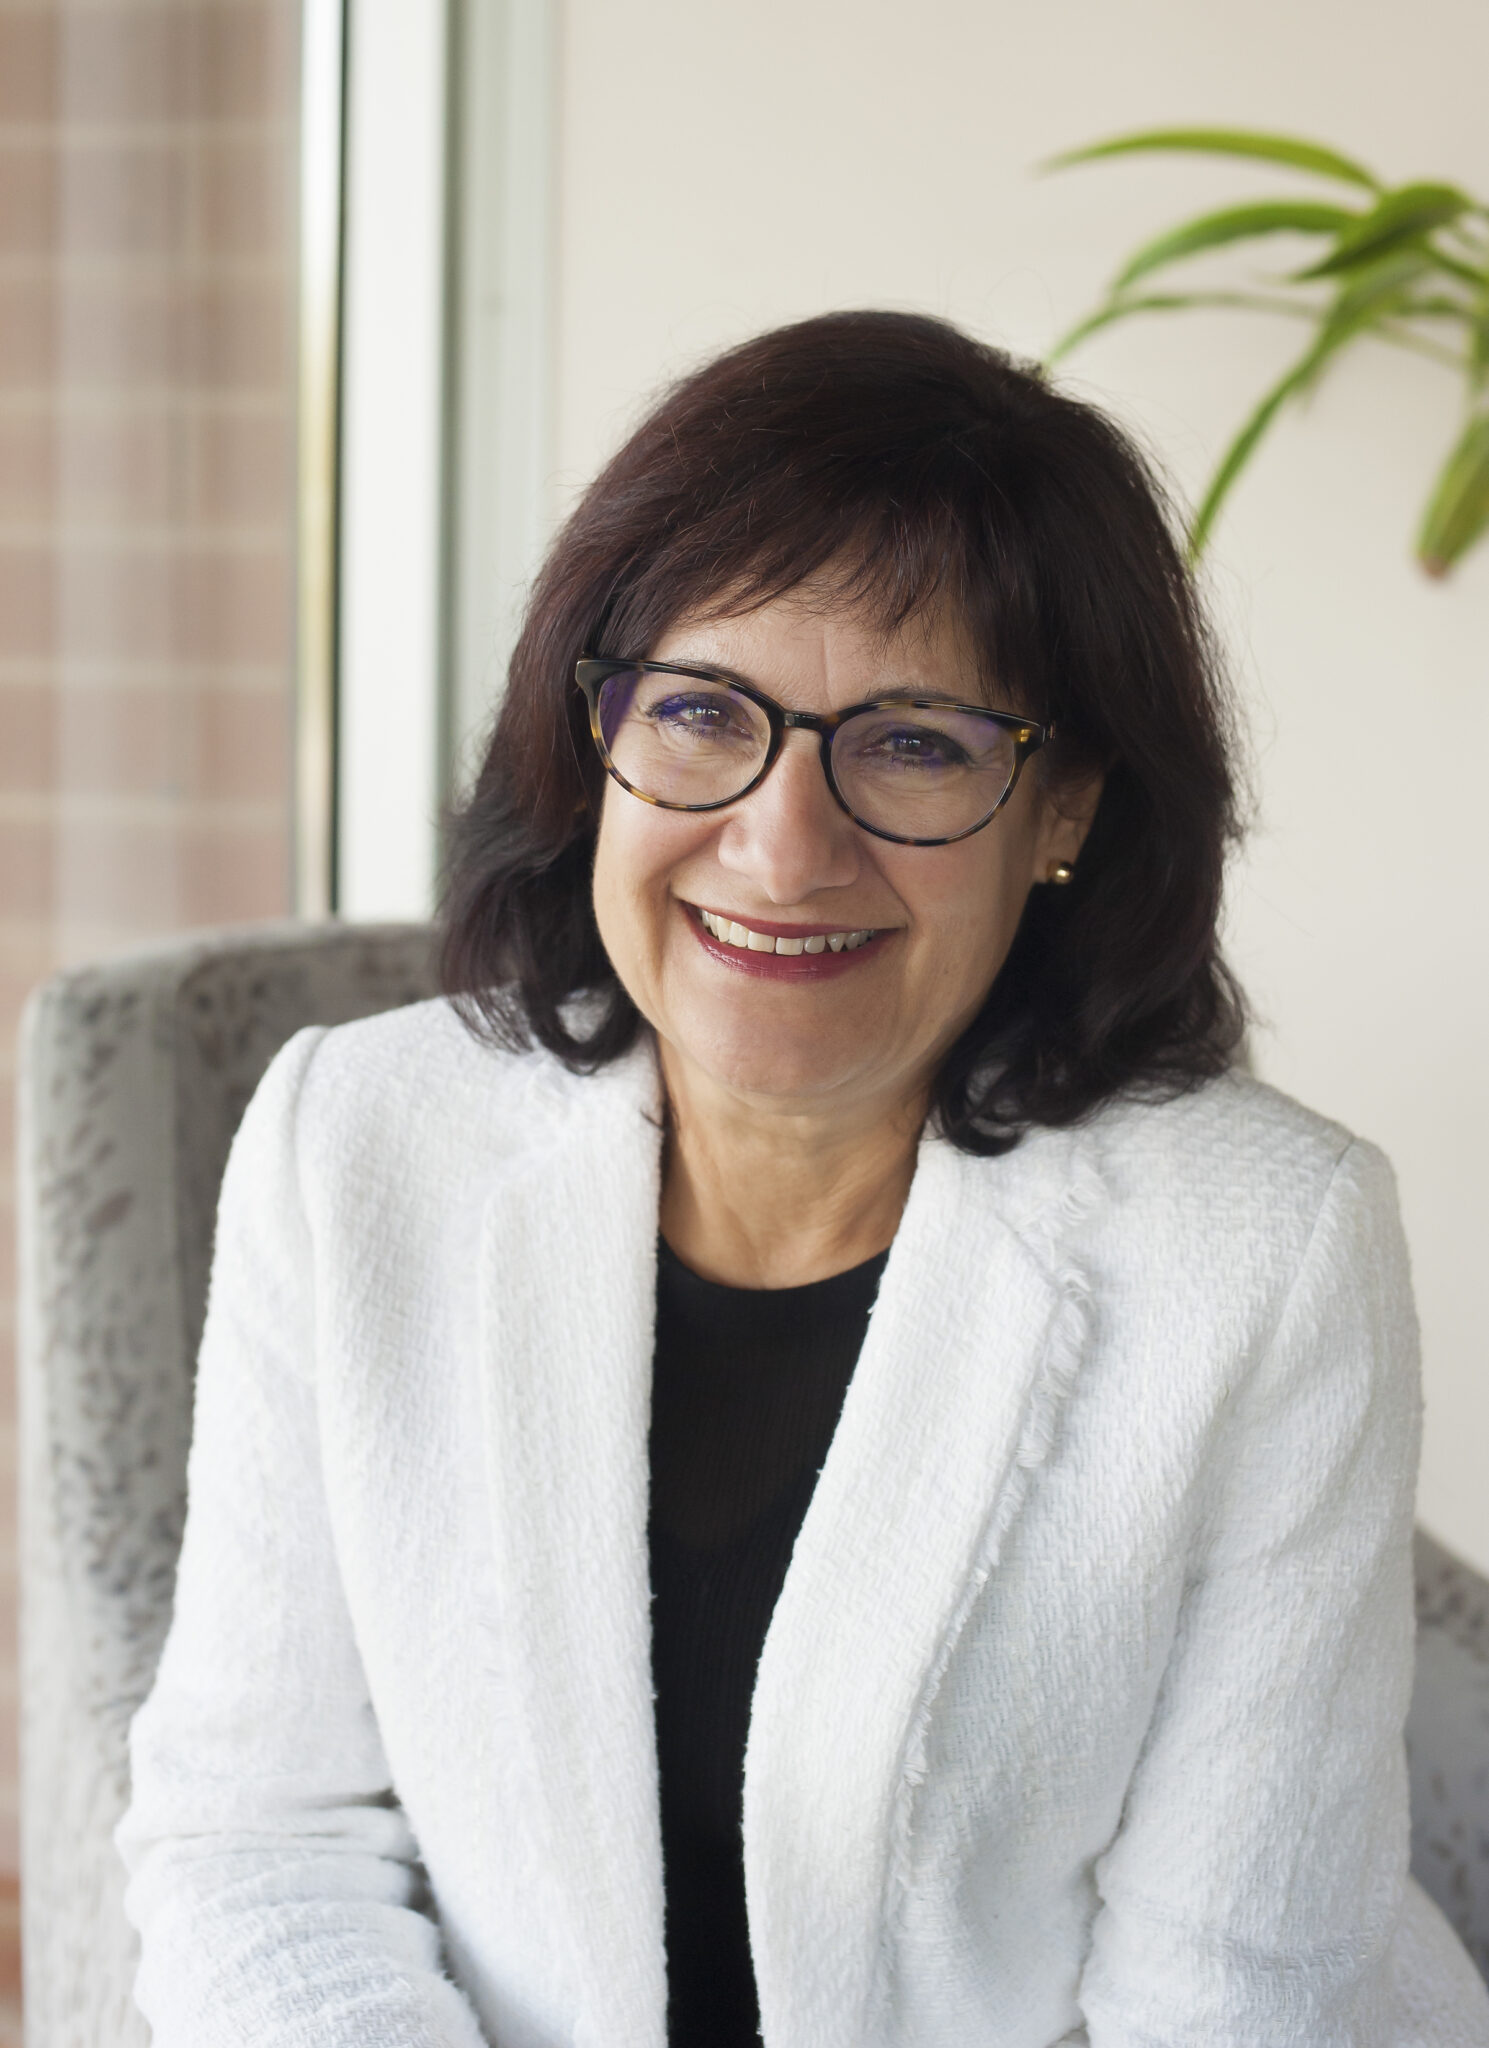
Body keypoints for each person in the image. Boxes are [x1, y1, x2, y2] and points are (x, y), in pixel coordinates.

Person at [116, 310, 1489, 2048]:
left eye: (910, 743)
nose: (780, 841)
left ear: (1057, 804)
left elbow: (1231, 1995)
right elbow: (259, 1834)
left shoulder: (1266, 1250)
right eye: (702, 712)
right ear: (593, 732)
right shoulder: (356, 1142)